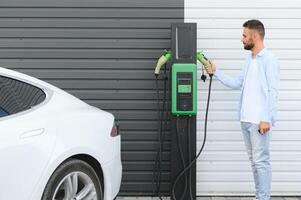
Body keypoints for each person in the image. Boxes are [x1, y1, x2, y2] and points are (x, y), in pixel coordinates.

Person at [205, 19, 280, 200]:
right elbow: (238, 83)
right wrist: (216, 72)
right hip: (246, 119)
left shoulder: (269, 60)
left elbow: (273, 91)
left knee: (261, 162)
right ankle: (259, 196)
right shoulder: (249, 60)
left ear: (255, 36)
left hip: (259, 121)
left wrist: (267, 119)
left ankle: (263, 198)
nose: (242, 39)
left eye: (244, 35)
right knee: (254, 162)